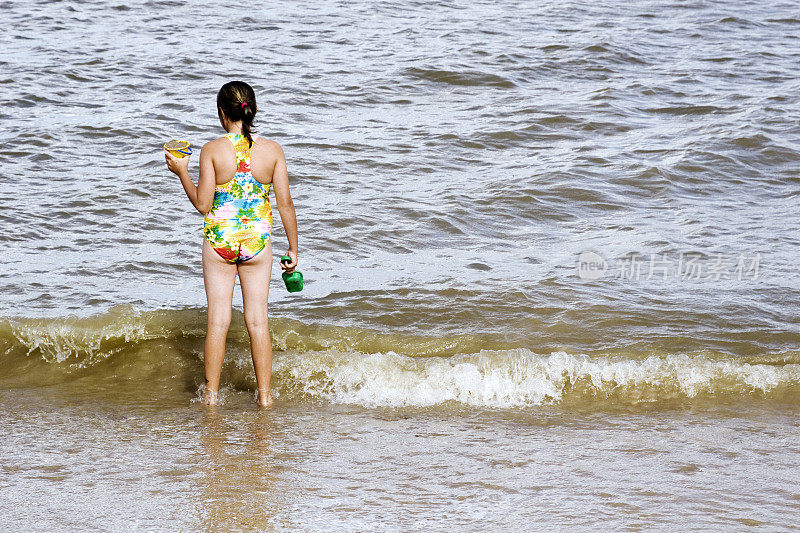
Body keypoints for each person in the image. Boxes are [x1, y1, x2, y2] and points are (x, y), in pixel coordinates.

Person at [164, 80, 298, 407]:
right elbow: (285, 205)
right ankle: (264, 398)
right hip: (257, 243)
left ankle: (210, 398)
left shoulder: (212, 150)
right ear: (251, 110)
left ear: (223, 113)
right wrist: (294, 249)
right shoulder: (273, 151)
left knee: (218, 321)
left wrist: (181, 171)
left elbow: (203, 205)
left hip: (219, 242)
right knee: (257, 321)